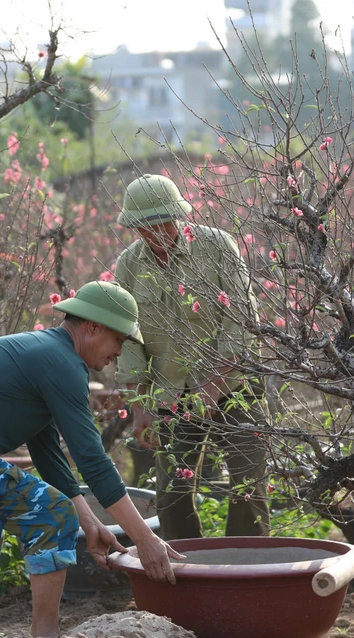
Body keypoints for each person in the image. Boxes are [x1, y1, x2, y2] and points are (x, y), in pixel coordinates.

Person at [0, 281, 183, 638]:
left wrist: (91, 520)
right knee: (53, 514)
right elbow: (92, 459)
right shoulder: (62, 362)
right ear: (92, 327)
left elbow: (46, 454)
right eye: (119, 341)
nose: (119, 354)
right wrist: (145, 539)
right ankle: (45, 635)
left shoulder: (46, 354)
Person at [113, 174, 270, 540]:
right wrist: (140, 407)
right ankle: (185, 574)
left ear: (178, 215)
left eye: (162, 222)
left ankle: (245, 571)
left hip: (234, 387)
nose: (155, 233)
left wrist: (211, 389)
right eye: (144, 227)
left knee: (247, 485)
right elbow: (128, 339)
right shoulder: (130, 265)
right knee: (171, 494)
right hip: (170, 394)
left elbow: (242, 322)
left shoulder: (216, 246)